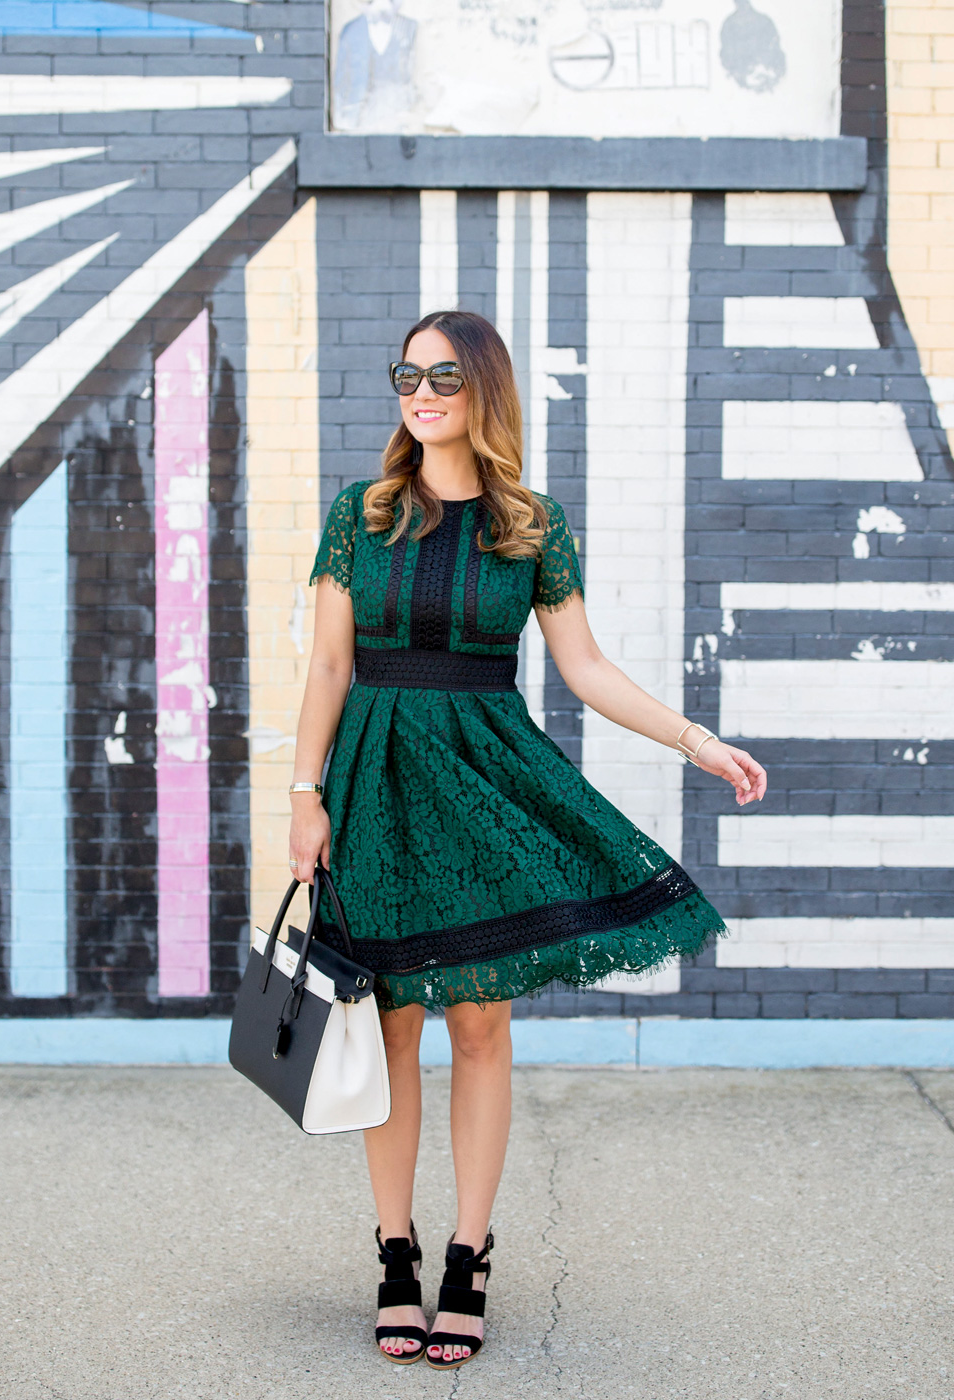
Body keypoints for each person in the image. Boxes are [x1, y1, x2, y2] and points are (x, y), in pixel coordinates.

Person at [288, 310, 767, 1370]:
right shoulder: (357, 515)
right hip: (373, 781)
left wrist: (695, 738)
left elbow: (585, 667)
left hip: (484, 775)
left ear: (483, 391)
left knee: (480, 1026)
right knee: (393, 1024)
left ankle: (468, 1253)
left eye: (443, 375)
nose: (421, 390)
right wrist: (302, 792)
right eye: (406, 371)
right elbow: (326, 667)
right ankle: (395, 1251)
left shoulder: (529, 522)